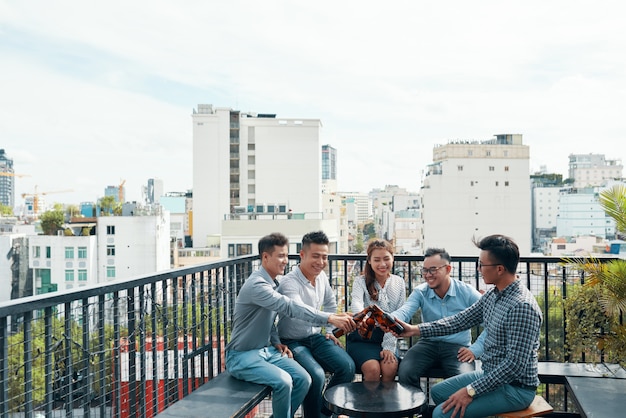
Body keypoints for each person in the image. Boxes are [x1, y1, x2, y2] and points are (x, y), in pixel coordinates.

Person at [390, 235, 543, 418]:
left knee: (440, 414)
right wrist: (415, 330)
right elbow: (459, 320)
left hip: (515, 388)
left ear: (500, 269)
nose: (479, 270)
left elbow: (513, 366)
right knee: (439, 393)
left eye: (482, 265)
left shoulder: (521, 307)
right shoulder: (494, 295)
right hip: (490, 374)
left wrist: (470, 391)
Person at [225, 233, 356, 418]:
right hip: (242, 356)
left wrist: (275, 340)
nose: (285, 261)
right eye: (280, 256)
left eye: (286, 255)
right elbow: (290, 307)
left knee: (303, 379)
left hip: (266, 352)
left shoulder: (273, 283)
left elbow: (267, 320)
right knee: (285, 381)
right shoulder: (258, 285)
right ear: (265, 257)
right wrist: (330, 318)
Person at [278, 231, 356, 418]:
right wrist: (330, 319)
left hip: (315, 337)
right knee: (316, 375)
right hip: (292, 341)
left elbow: (330, 304)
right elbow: (300, 311)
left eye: (324, 257)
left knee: (347, 366)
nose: (320, 262)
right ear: (302, 255)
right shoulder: (289, 282)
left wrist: (329, 331)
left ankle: (324, 412)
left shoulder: (322, 277)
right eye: (316, 256)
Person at [391, 248, 485, 392]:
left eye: (433, 270)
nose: (428, 275)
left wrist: (475, 349)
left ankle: (445, 413)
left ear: (448, 269)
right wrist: (391, 319)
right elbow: (405, 310)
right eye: (425, 270)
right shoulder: (421, 292)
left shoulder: (466, 292)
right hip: (427, 343)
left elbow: (492, 323)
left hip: (458, 347)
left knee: (464, 380)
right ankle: (419, 410)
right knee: (405, 372)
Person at [347, 238, 406, 381]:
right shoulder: (360, 281)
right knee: (373, 369)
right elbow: (356, 302)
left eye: (386, 259)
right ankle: (369, 403)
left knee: (390, 367)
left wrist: (389, 346)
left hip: (387, 337)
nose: (382, 264)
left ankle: (385, 402)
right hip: (363, 337)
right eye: (377, 260)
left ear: (393, 258)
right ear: (369, 261)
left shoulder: (399, 282)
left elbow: (399, 315)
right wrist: (364, 318)